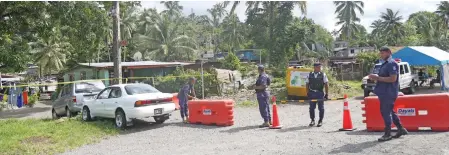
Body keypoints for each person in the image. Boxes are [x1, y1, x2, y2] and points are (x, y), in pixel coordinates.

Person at [368, 46, 408, 142]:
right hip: (384, 92)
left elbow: (393, 79)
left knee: (385, 112)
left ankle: (387, 134)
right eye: (380, 53)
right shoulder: (385, 64)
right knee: (390, 111)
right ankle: (401, 128)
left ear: (389, 52)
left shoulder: (391, 63)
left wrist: (377, 78)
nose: (381, 55)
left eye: (383, 53)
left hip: (388, 92)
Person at [305, 62, 329, 127]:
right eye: (319, 67)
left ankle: (320, 121)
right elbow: (307, 84)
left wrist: (326, 94)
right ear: (315, 68)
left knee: (321, 108)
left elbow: (326, 84)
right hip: (312, 93)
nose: (320, 68)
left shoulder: (323, 74)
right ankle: (312, 120)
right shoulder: (309, 75)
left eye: (320, 67)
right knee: (311, 108)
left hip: (320, 93)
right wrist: (307, 93)